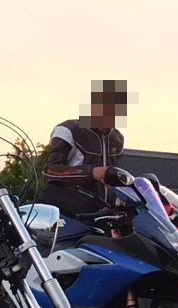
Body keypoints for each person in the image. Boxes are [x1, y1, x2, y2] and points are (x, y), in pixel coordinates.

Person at [41, 78, 132, 217]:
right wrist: (91, 172)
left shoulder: (117, 139)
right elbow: (50, 172)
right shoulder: (68, 130)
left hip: (104, 214)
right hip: (69, 210)